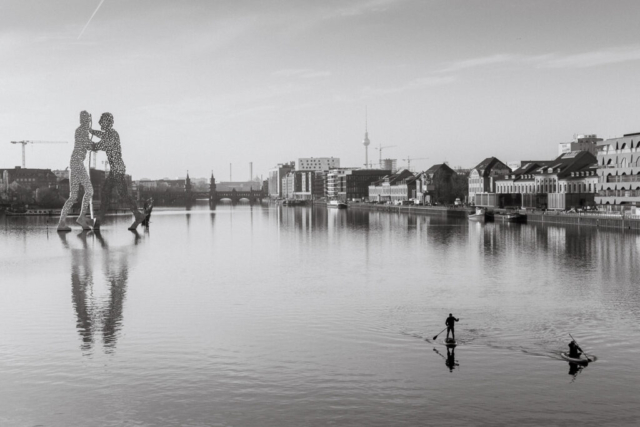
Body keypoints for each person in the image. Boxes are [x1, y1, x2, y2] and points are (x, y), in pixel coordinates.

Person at [89, 112, 145, 230]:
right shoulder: (109, 134)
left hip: (117, 170)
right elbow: (102, 135)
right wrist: (91, 131)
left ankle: (137, 215)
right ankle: (98, 222)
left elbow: (103, 144)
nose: (100, 124)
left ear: (107, 122)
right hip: (115, 170)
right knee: (108, 194)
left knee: (119, 195)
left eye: (102, 122)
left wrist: (92, 145)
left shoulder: (113, 135)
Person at [57, 111, 94, 231]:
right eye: (87, 120)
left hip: (74, 163)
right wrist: (95, 145)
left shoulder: (80, 130)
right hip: (77, 163)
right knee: (89, 190)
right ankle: (82, 217)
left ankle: (62, 222)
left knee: (73, 196)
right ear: (85, 120)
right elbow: (87, 144)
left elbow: (86, 144)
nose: (88, 122)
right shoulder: (82, 131)